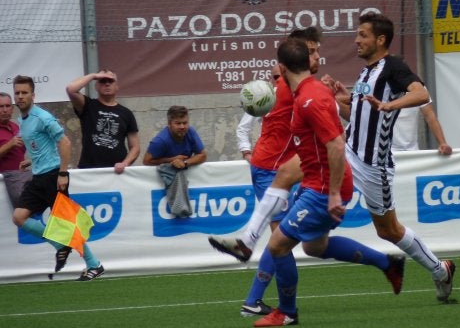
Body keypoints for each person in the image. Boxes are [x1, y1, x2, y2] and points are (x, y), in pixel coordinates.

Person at [252, 37, 405, 327]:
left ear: (282, 69)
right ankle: (388, 264)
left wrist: (333, 193)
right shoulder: (306, 93)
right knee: (314, 247)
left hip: (322, 189)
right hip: (317, 183)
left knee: (277, 245)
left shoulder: (310, 98)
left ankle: (287, 312)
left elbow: (336, 144)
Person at [322, 12, 455, 302]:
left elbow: (421, 94)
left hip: (373, 165)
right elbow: (357, 118)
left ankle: (440, 270)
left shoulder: (393, 66)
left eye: (363, 35)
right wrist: (340, 99)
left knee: (388, 231)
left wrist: (390, 104)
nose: (356, 40)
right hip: (349, 152)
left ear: (380, 40)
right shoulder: (365, 72)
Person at [222, 35, 318, 317]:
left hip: (275, 168)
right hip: (271, 171)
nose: (316, 58)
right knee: (282, 241)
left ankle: (254, 299)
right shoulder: (290, 89)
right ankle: (283, 308)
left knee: (283, 239)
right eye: (311, 52)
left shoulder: (290, 88)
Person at [12, 75, 104, 281]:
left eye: (24, 92)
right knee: (19, 217)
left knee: (67, 225)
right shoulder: (23, 120)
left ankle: (94, 264)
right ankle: (60, 245)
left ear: (33, 95)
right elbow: (42, 146)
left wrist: (63, 173)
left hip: (54, 176)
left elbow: (65, 143)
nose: (20, 96)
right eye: (17, 93)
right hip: (38, 178)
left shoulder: (42, 117)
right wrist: (31, 160)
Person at [66, 70, 140, 173]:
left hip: (116, 172)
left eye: (111, 81)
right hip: (89, 171)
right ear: (96, 86)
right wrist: (94, 75)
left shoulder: (126, 113)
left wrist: (125, 163)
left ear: (117, 86)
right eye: (102, 81)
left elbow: (135, 147)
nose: (107, 83)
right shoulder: (87, 106)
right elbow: (71, 89)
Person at [143, 105, 207, 168]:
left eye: (185, 123)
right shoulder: (160, 141)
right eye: (178, 123)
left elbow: (203, 155)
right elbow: (146, 161)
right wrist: (170, 160)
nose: (182, 127)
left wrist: (185, 163)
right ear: (169, 124)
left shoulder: (190, 131)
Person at [0, 92, 32, 208]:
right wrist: (10, 144)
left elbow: (21, 152)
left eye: (8, 106)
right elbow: (12, 145)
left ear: (12, 109)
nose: (4, 110)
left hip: (22, 176)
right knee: (23, 212)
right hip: (7, 180)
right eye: (1, 106)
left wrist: (30, 161)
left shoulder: (16, 126)